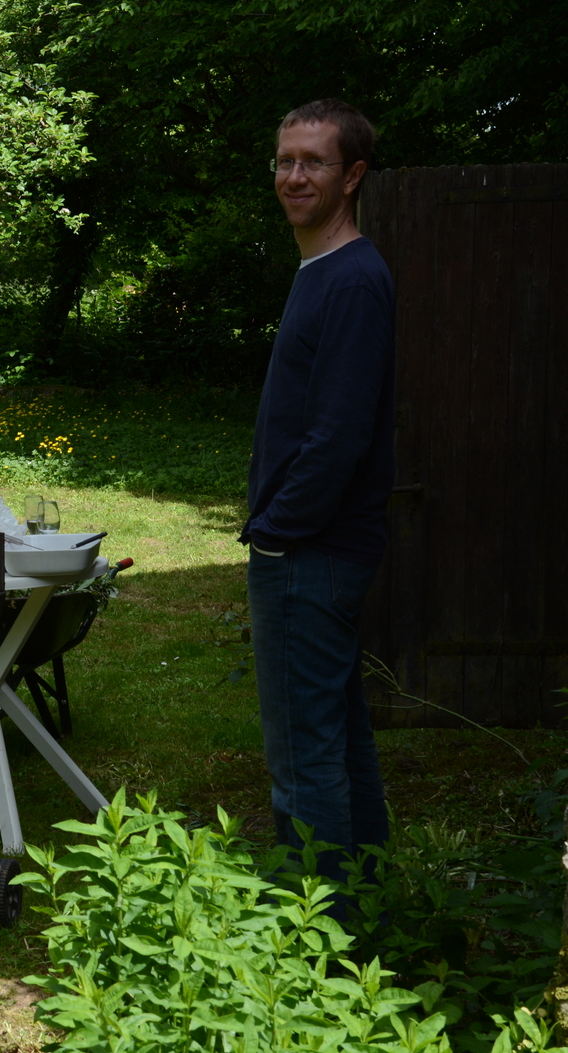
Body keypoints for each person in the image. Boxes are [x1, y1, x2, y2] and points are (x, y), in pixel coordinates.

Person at [242, 99, 395, 887]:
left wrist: (276, 532)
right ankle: (364, 911)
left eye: (314, 162)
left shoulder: (354, 280)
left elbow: (338, 438)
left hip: (310, 553)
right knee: (338, 740)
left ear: (352, 175)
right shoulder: (324, 271)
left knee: (303, 760)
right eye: (285, 160)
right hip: (314, 550)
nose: (294, 175)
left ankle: (315, 937)